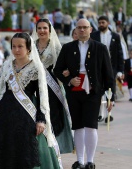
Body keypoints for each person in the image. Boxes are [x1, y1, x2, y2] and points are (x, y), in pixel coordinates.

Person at [0, 32, 62, 169]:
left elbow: (43, 95)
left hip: (26, 114)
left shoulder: (36, 68)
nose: (16, 50)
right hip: (3, 112)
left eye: (20, 46)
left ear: (29, 48)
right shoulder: (7, 65)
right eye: (14, 46)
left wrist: (41, 120)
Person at [54, 19, 115, 169]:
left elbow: (108, 74)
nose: (82, 30)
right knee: (78, 126)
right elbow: (57, 69)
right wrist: (69, 80)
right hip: (74, 92)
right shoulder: (67, 48)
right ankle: (80, 161)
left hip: (93, 92)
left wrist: (110, 98)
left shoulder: (100, 48)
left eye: (85, 27)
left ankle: (90, 161)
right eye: (79, 28)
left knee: (91, 125)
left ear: (90, 29)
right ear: (75, 30)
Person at [31, 18, 74, 154]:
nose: (42, 31)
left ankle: (53, 150)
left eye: (45, 28)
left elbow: (64, 66)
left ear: (50, 30)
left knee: (52, 116)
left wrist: (67, 71)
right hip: (33, 86)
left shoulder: (56, 46)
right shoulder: (30, 45)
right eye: (39, 28)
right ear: (36, 30)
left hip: (52, 88)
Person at [90, 15, 124, 123]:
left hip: (111, 67)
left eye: (103, 22)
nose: (101, 24)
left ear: (108, 23)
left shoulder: (115, 36)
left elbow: (119, 54)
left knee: (110, 90)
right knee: (98, 90)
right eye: (99, 22)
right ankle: (100, 114)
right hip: (97, 68)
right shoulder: (94, 35)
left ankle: (109, 114)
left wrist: (120, 71)